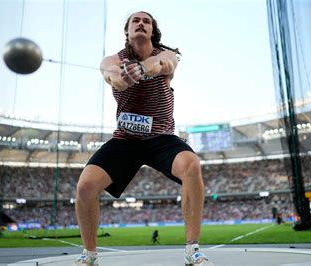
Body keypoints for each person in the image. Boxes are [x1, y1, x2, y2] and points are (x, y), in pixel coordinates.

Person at [75, 11, 211, 266]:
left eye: (146, 21)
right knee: (85, 187)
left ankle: (192, 250)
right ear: (127, 32)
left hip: (161, 137)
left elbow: (162, 65)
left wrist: (143, 69)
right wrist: (122, 79)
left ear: (152, 31)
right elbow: (111, 75)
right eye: (135, 21)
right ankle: (89, 255)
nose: (140, 23)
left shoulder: (166, 54)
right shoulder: (113, 59)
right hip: (125, 139)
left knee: (191, 165)